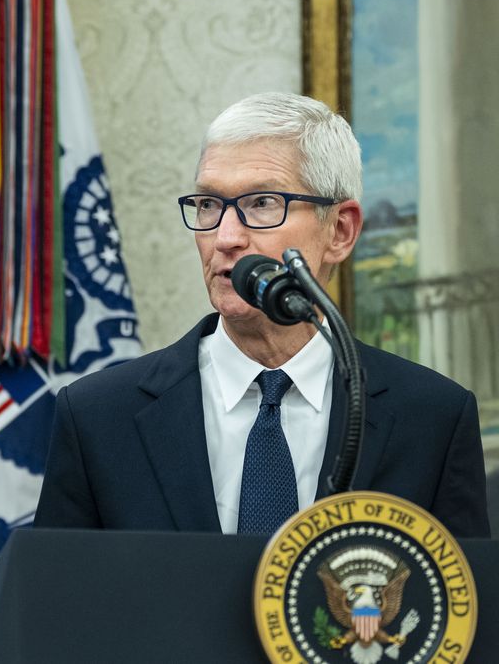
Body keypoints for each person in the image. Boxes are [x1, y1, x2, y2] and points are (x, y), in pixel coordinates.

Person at [35, 92, 490, 539]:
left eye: (262, 203)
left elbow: (464, 605)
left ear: (341, 230)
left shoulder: (433, 418)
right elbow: (57, 604)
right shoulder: (97, 416)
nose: (225, 237)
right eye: (209, 205)